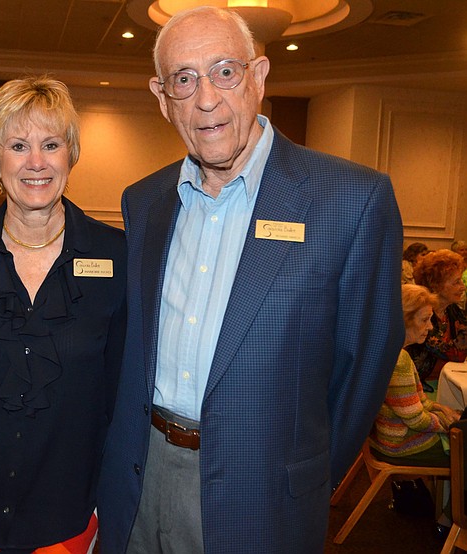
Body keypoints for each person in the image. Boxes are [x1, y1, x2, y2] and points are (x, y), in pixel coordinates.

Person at [97, 6, 404, 554]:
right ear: (162, 98)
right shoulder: (144, 201)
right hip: (141, 478)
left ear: (259, 76)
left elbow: (367, 362)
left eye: (224, 71)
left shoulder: (351, 199)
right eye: (184, 80)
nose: (206, 98)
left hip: (264, 492)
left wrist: (304, 469)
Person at [0, 76, 126, 553]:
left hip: (68, 519)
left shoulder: (118, 256)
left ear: (70, 154)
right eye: (18, 145)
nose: (36, 162)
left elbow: (120, 395)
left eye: (50, 144)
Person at [371, 284, 460, 466]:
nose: (430, 326)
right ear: (404, 320)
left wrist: (441, 408)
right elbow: (415, 419)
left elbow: (418, 402)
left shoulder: (389, 350)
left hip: (388, 438)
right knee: (463, 450)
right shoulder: (399, 358)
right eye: (425, 320)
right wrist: (450, 424)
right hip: (402, 444)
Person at [407, 249, 467, 382]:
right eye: (456, 282)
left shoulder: (453, 311)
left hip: (449, 381)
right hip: (421, 384)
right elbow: (456, 353)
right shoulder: (421, 314)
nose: (463, 287)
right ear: (436, 285)